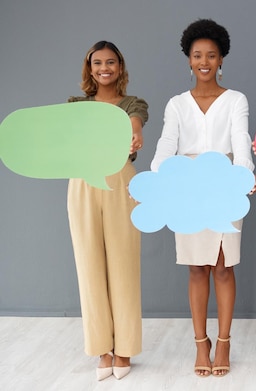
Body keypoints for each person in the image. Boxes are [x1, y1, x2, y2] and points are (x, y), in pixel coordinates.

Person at [151, 19, 256, 378]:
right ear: (188, 59)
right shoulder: (177, 104)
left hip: (224, 179)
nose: (204, 61)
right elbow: (167, 144)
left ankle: (225, 340)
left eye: (211, 55)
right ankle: (202, 343)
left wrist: (243, 176)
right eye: (197, 55)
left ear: (221, 59)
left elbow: (241, 141)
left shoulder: (235, 99)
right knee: (197, 266)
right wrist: (159, 178)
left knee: (222, 264)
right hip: (186, 184)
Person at [67, 40, 148, 381]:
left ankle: (125, 347)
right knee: (89, 265)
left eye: (111, 62)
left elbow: (134, 123)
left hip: (121, 181)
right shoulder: (75, 105)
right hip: (83, 181)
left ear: (120, 67)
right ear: (89, 68)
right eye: (97, 62)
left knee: (124, 264)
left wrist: (134, 132)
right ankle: (102, 349)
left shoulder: (133, 103)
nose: (104, 68)